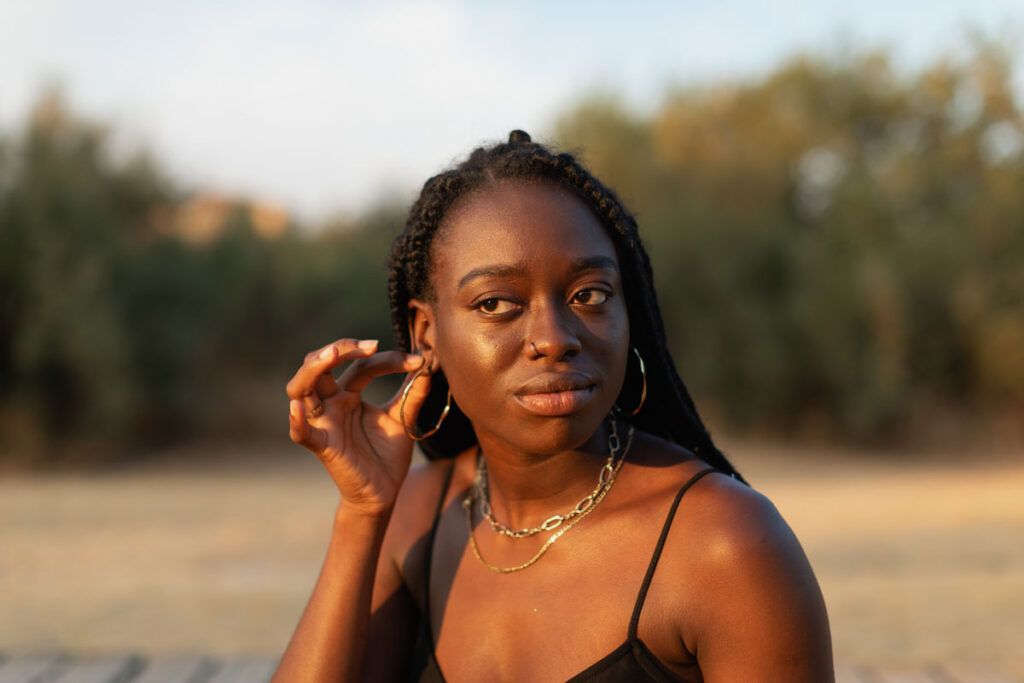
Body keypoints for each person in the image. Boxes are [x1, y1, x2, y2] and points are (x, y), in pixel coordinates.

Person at [273, 131, 833, 682]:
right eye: (496, 303)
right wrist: (362, 514)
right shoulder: (419, 515)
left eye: (589, 294)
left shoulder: (724, 545)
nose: (554, 337)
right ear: (427, 336)